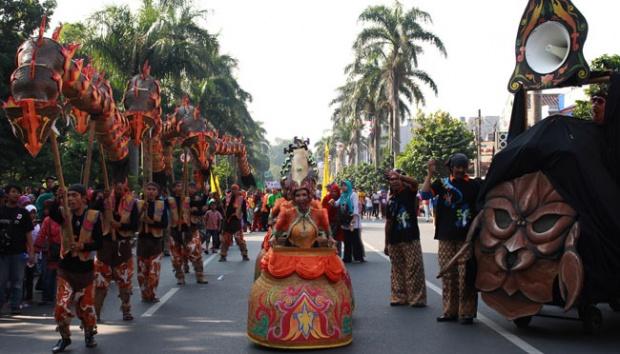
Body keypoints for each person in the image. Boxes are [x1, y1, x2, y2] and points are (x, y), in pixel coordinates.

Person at [420, 154, 481, 324]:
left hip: (467, 239)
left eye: (464, 166)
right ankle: (449, 312)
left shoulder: (475, 184)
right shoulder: (442, 184)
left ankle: (466, 312)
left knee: (466, 276)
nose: (461, 170)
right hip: (446, 237)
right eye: (457, 167)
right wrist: (429, 174)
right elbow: (425, 195)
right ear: (451, 167)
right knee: (449, 276)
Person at [48, 184, 102, 353]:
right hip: (66, 269)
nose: (70, 199)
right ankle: (64, 338)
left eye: (74, 195)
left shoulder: (93, 216)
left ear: (84, 198)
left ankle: (89, 333)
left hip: (86, 271)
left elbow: (99, 242)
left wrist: (83, 246)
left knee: (86, 309)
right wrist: (58, 197)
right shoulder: (65, 214)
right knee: (61, 308)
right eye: (68, 195)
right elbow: (53, 214)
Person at [93, 181, 139, 322]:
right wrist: (101, 199)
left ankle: (126, 309)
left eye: (122, 187)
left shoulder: (132, 203)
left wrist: (120, 225)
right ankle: (96, 314)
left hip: (122, 247)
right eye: (116, 187)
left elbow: (135, 225)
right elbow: (91, 211)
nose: (119, 189)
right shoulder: (104, 200)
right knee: (100, 283)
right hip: (105, 247)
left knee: (124, 281)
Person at [384, 170, 426, 307]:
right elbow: (388, 222)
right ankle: (399, 297)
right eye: (391, 180)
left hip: (410, 237)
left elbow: (415, 183)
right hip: (394, 239)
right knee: (396, 270)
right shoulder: (390, 200)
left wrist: (399, 175)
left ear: (402, 181)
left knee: (414, 268)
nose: (394, 182)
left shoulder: (409, 193)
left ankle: (416, 298)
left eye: (396, 179)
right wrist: (386, 243)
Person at [0, 185, 35, 315]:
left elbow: (28, 234)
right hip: (2, 253)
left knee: (18, 281)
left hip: (19, 253)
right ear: (7, 194)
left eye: (18, 192)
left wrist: (31, 251)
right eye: (13, 192)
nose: (16, 194)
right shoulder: (1, 210)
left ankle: (15, 306)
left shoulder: (23, 213)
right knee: (1, 282)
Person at [169, 182, 207, 285]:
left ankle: (200, 276)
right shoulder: (169, 201)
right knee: (176, 258)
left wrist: (205, 196)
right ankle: (180, 277)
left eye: (181, 185)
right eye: (177, 185)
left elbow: (200, 207)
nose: (180, 187)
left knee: (196, 253)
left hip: (190, 230)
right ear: (173, 189)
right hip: (175, 231)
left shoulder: (189, 199)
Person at [137, 182, 169, 302]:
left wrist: (151, 222)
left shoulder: (161, 205)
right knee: (142, 272)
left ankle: (152, 293)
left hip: (155, 242)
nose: (150, 191)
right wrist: (141, 212)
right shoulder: (139, 204)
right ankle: (145, 293)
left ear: (157, 192)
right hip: (142, 241)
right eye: (148, 189)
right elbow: (133, 223)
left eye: (153, 189)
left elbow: (164, 224)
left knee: (153, 272)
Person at [34, 201, 61, 305]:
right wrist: (36, 250)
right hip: (52, 251)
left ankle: (49, 297)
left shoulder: (49, 220)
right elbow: (41, 235)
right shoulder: (50, 220)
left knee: (49, 275)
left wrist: (36, 250)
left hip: (52, 251)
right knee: (51, 276)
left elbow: (41, 236)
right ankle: (54, 297)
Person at [335, 180, 364, 263]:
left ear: (349, 186)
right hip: (345, 220)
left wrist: (354, 220)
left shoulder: (353, 194)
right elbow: (337, 204)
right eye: (342, 185)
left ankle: (358, 257)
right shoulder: (343, 195)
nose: (343, 187)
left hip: (353, 220)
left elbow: (355, 207)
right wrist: (332, 202)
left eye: (345, 185)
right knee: (347, 240)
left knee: (355, 239)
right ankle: (347, 257)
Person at [219, 184, 249, 262]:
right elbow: (221, 209)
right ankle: (223, 255)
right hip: (227, 222)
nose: (234, 191)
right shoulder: (226, 199)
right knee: (225, 240)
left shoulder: (241, 199)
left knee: (239, 239)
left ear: (238, 190)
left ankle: (244, 254)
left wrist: (245, 222)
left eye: (236, 189)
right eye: (232, 189)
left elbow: (244, 212)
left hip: (236, 222)